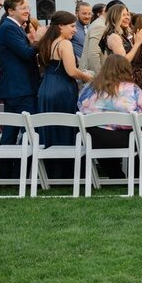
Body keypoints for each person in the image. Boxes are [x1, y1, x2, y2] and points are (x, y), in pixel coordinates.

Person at [77, 55, 142, 179]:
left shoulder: (90, 89)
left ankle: (115, 174)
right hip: (127, 139)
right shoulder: (133, 89)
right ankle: (135, 173)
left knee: (100, 133)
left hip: (96, 139)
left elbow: (81, 107)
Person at [36, 11, 92, 173]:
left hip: (46, 87)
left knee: (50, 127)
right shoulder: (64, 44)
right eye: (72, 26)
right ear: (60, 26)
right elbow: (72, 71)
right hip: (62, 88)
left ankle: (52, 171)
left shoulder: (47, 42)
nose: (75, 30)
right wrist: (88, 78)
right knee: (65, 126)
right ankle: (67, 171)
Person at [0, 0, 43, 155]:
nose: (27, 11)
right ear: (10, 11)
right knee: (26, 130)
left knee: (11, 129)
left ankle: (8, 170)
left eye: (28, 7)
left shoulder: (12, 27)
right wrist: (40, 41)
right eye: (22, 8)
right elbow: (24, 52)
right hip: (20, 87)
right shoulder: (9, 28)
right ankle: (18, 168)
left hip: (16, 87)